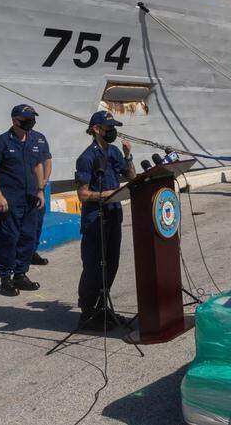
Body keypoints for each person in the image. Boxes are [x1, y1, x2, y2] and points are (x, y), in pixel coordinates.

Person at [74, 111, 136, 331]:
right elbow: (82, 194)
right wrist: (107, 194)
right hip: (94, 220)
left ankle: (103, 307)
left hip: (113, 216)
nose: (113, 132)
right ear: (97, 129)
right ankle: (88, 312)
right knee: (93, 266)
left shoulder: (115, 152)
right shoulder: (87, 157)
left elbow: (131, 178)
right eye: (109, 128)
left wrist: (129, 156)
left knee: (112, 263)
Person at [0, 105, 51, 296]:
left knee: (28, 238)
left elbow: (38, 165)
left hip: (30, 199)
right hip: (9, 200)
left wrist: (40, 190)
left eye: (32, 118)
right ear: (15, 120)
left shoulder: (34, 141)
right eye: (27, 118)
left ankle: (20, 275)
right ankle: (5, 278)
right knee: (8, 239)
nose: (31, 121)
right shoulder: (1, 142)